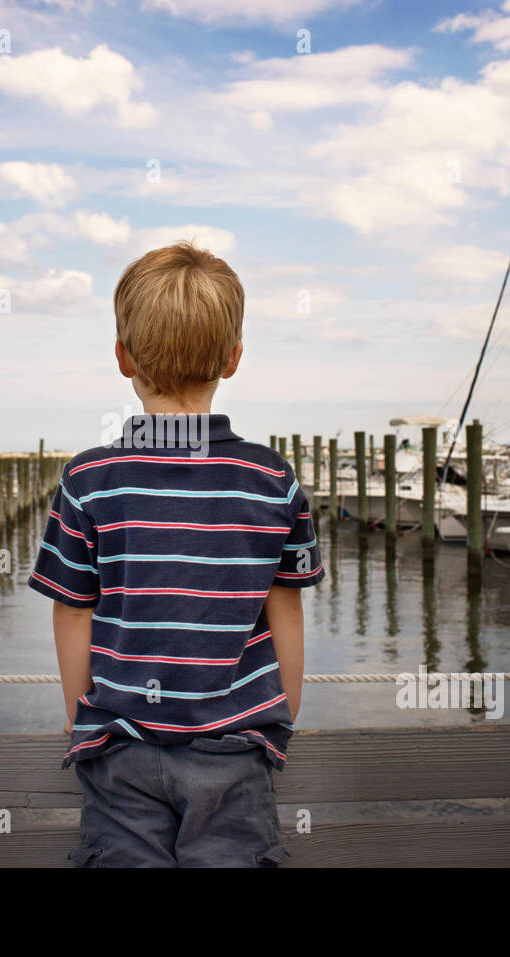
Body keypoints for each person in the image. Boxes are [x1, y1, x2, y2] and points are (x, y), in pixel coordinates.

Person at [27, 241, 324, 867]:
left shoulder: (90, 480)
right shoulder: (272, 481)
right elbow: (286, 612)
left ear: (122, 357)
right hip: (232, 745)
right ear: (234, 359)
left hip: (121, 748)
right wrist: (282, 714)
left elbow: (73, 611)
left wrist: (81, 709)